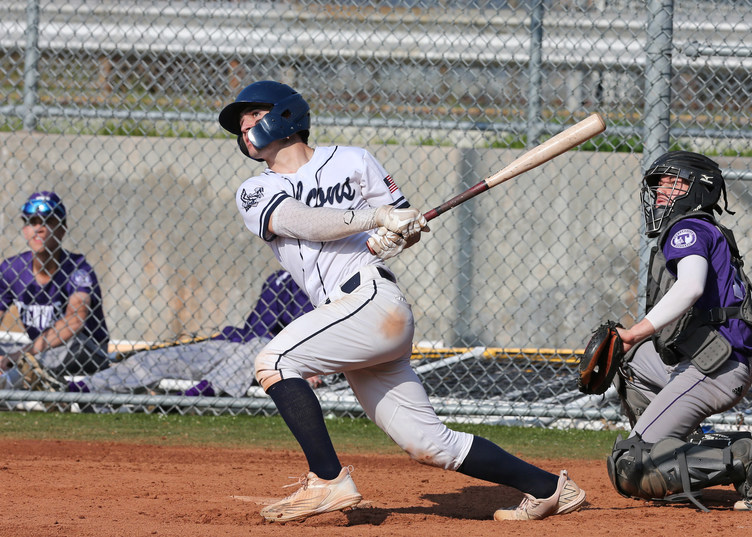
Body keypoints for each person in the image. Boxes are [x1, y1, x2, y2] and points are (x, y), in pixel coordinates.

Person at [217, 80, 586, 523]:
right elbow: (299, 220)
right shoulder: (254, 190)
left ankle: (327, 481)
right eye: (240, 126)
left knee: (274, 362)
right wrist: (376, 219)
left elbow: (398, 224)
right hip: (348, 314)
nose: (244, 129)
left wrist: (397, 234)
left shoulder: (353, 160)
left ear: (285, 115)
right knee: (430, 444)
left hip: (372, 299)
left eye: (252, 117)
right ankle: (550, 488)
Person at [603, 150, 752, 512]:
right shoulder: (701, 227)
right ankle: (677, 453)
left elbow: (689, 288)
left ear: (695, 189)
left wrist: (636, 331)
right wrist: (631, 342)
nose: (658, 192)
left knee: (630, 466)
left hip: (714, 370)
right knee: (628, 360)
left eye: (669, 183)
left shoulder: (687, 229)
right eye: (657, 184)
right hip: (704, 360)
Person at [67, 270, 313, 397]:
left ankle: (200, 399)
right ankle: (86, 388)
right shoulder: (279, 278)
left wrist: (313, 366)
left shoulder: (327, 279)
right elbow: (255, 328)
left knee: (261, 344)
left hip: (284, 360)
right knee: (161, 357)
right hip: (237, 348)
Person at [0, 191, 109, 390]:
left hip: (83, 349)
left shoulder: (78, 268)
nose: (39, 229)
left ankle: (13, 384)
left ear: (62, 229)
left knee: (71, 344)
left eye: (48, 221)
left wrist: (22, 355)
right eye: (32, 221)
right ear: (25, 230)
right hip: (38, 353)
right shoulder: (10, 269)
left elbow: (75, 320)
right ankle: (29, 379)